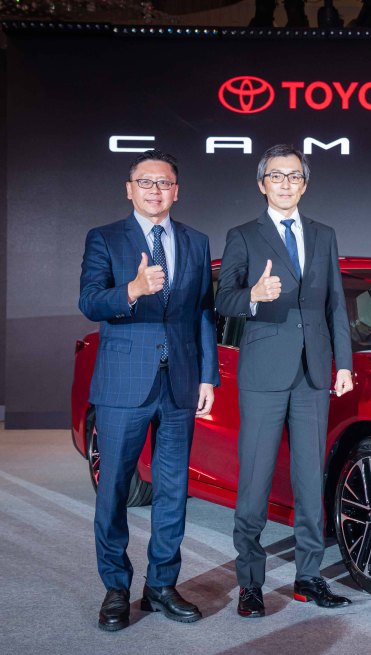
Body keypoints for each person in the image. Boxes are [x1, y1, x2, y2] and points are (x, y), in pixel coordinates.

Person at [79, 150, 218, 631]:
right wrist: (133, 290)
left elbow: (203, 312)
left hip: (180, 381)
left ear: (176, 191)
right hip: (124, 383)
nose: (155, 190)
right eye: (145, 182)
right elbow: (89, 301)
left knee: (173, 490)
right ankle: (116, 588)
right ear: (129, 189)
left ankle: (161, 585)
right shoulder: (105, 237)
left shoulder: (196, 241)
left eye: (164, 183)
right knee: (114, 489)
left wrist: (208, 375)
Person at [216, 144, 354, 618]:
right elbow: (224, 299)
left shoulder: (323, 234)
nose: (286, 184)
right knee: (255, 479)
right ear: (262, 184)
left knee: (310, 478)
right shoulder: (243, 235)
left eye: (294, 176)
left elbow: (335, 303)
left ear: (304, 184)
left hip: (313, 372)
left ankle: (308, 577)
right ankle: (250, 583)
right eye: (277, 176)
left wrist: (342, 364)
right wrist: (253, 295)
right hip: (263, 371)